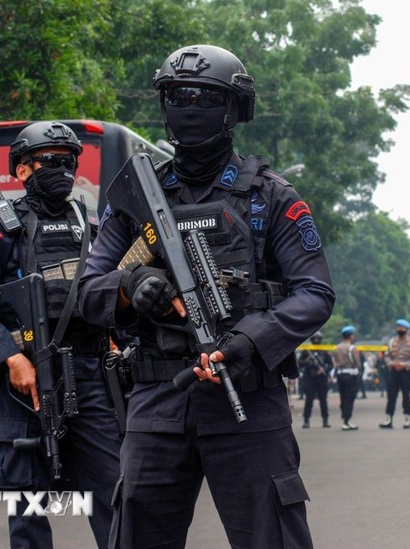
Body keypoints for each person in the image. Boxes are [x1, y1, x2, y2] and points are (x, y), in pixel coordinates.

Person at [78, 44, 335, 548]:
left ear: (234, 110)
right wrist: (132, 287)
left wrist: (250, 339)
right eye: (177, 97)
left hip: (248, 401)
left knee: (272, 537)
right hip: (157, 400)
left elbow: (315, 292)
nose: (189, 110)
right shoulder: (134, 199)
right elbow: (87, 289)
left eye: (204, 98)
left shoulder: (272, 198)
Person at [0, 121, 121, 548]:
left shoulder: (89, 224)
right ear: (23, 169)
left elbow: (109, 290)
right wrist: (12, 359)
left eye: (69, 162)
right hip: (23, 384)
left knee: (115, 496)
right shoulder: (4, 226)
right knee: (28, 509)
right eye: (50, 161)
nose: (61, 170)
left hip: (87, 375)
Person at [380, 319, 410, 429]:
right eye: (398, 327)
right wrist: (392, 364)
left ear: (406, 330)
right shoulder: (392, 341)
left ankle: (407, 419)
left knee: (406, 396)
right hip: (393, 371)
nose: (399, 329)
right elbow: (387, 355)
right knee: (391, 396)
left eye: (401, 328)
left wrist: (404, 365)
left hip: (406, 372)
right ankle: (388, 419)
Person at [298, 331, 332, 428]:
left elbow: (330, 365)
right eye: (315, 338)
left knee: (323, 401)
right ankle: (306, 420)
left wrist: (324, 369)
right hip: (310, 378)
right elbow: (299, 363)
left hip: (322, 379)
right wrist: (307, 361)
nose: (316, 340)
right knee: (308, 401)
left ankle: (325, 420)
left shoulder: (324, 351)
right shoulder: (306, 351)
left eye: (318, 338)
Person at [331, 325, 361, 430]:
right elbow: (357, 363)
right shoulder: (352, 348)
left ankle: (345, 419)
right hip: (350, 375)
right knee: (350, 397)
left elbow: (334, 362)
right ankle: (346, 420)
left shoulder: (336, 348)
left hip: (340, 374)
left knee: (343, 397)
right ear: (351, 336)